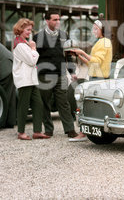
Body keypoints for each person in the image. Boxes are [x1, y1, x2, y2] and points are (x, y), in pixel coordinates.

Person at [33, 9, 85, 141]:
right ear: (47, 21)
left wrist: (72, 72)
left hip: (61, 75)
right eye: (55, 19)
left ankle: (70, 130)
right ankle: (48, 130)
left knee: (64, 102)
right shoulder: (38, 37)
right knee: (45, 103)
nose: (58, 22)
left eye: (59, 19)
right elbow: (33, 57)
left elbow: (69, 55)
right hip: (44, 76)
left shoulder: (63, 35)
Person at [12, 18, 50, 140]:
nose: (29, 32)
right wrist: (34, 48)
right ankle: (21, 132)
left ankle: (37, 131)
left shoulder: (23, 43)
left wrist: (31, 48)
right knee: (23, 105)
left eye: (30, 30)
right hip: (24, 79)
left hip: (31, 79)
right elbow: (32, 60)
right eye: (27, 30)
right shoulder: (20, 45)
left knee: (38, 104)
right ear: (21, 29)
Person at [63, 39, 89, 119]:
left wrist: (73, 73)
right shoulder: (60, 54)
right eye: (70, 52)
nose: (71, 54)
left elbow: (70, 62)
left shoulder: (68, 56)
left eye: (73, 53)